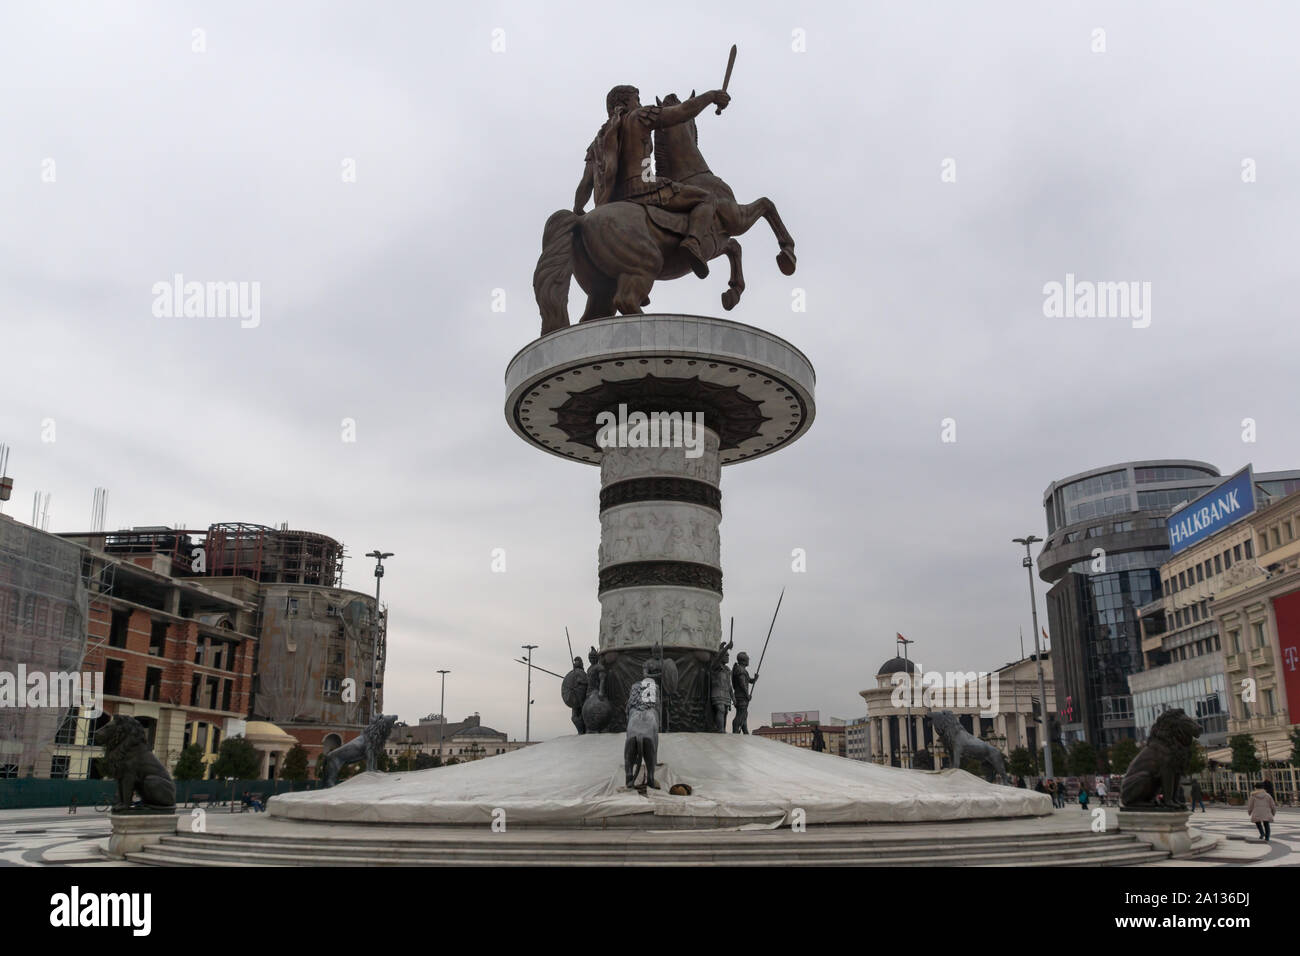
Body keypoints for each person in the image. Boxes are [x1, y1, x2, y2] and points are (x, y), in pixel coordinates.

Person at [575, 85, 731, 275]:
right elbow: (682, 112)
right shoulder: (639, 117)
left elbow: (585, 185)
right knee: (707, 198)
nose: (639, 103)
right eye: (637, 99)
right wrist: (712, 96)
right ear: (626, 102)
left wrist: (579, 211)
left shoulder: (597, 142)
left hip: (614, 201)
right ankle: (693, 242)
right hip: (645, 188)